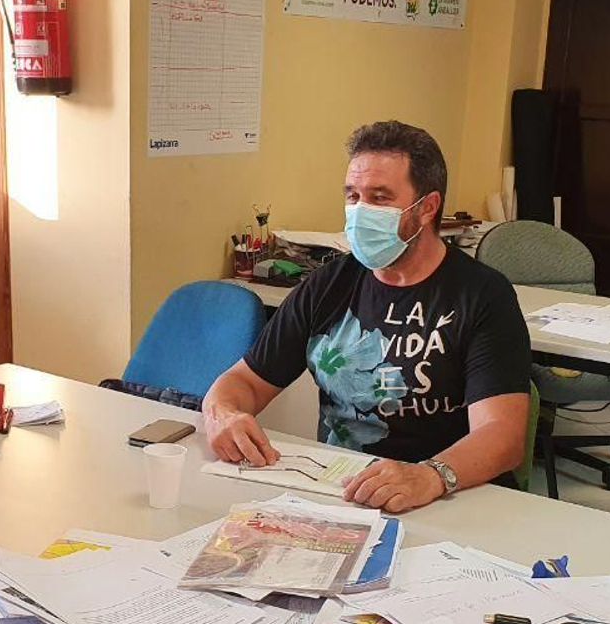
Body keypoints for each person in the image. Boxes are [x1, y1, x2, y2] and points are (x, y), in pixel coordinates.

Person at [203, 120, 531, 513]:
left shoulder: (481, 295)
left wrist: (430, 475)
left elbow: (503, 435)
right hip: (342, 491)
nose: (360, 212)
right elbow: (244, 381)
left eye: (379, 198)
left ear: (426, 207)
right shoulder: (329, 283)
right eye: (353, 196)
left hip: (448, 496)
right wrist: (224, 414)